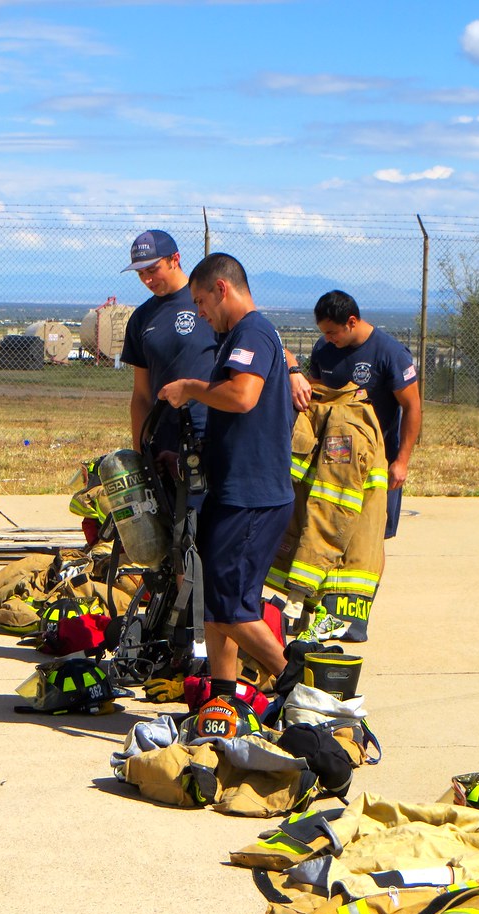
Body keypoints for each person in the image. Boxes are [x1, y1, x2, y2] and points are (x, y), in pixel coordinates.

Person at [159, 253, 294, 682]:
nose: (199, 312)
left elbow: (242, 396)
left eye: (201, 301)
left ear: (222, 289)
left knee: (233, 608)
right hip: (232, 490)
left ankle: (305, 689)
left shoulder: (251, 330)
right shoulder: (238, 335)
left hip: (252, 497)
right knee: (217, 605)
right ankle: (222, 696)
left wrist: (190, 388)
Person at [310, 290, 422, 538]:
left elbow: (413, 406)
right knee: (330, 533)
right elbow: (315, 396)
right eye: (323, 333)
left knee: (371, 538)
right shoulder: (323, 349)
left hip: (376, 462)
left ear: (351, 322)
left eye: (332, 332)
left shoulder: (390, 354)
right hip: (332, 460)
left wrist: (401, 462)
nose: (327, 339)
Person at [120, 229, 216, 454]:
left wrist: (292, 371)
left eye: (153, 270)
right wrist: (140, 456)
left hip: (210, 437)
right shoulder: (141, 318)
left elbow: (256, 338)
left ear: (175, 259)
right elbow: (141, 395)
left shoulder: (207, 304)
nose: (147, 280)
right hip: (164, 443)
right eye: (140, 273)